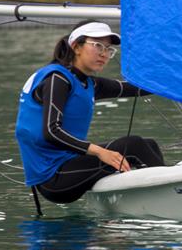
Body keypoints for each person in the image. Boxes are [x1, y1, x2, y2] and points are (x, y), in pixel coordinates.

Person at [14, 21, 165, 204]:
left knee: (149, 145)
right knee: (134, 146)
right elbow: (51, 131)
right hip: (53, 179)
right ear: (76, 47)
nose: (104, 54)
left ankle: (159, 191)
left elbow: (138, 88)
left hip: (69, 165)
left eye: (108, 49)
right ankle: (172, 194)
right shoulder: (58, 79)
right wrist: (100, 152)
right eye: (97, 46)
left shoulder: (89, 83)